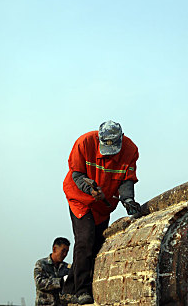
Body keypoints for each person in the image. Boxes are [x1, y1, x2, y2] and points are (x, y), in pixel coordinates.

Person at [62, 120, 141, 305]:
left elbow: (127, 180)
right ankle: (82, 290)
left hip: (104, 205)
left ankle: (68, 289)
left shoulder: (131, 150)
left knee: (97, 244)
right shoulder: (84, 143)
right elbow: (77, 174)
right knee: (85, 240)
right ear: (99, 138)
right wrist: (90, 190)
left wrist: (128, 200)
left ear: (121, 139)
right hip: (80, 199)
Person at [34, 237, 72, 306]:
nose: (65, 254)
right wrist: (60, 281)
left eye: (67, 252)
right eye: (63, 251)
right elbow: (39, 283)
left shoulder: (67, 268)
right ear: (54, 249)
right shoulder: (41, 264)